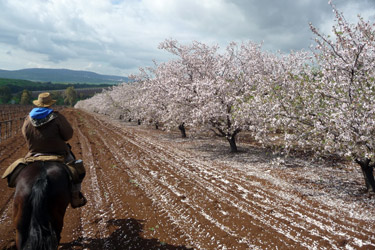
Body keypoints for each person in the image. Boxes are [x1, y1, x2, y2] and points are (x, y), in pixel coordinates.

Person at [22, 92, 87, 208]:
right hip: (59, 153)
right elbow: (68, 135)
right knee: (77, 170)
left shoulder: (28, 118)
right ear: (50, 104)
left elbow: (25, 134)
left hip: (34, 153)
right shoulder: (57, 117)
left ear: (38, 104)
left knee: (20, 169)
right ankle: (75, 197)